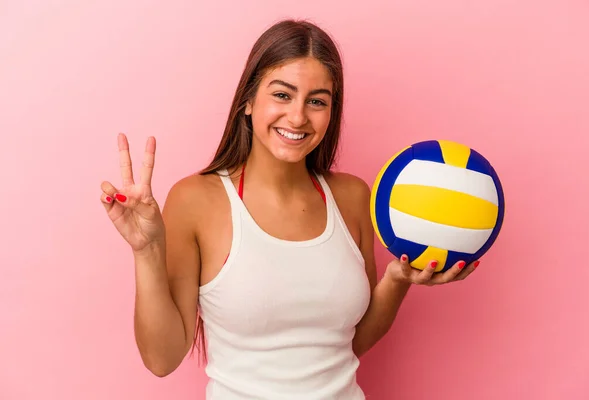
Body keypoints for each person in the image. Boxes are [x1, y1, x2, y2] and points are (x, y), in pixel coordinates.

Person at [100, 19, 479, 400]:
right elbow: (161, 359)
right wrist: (146, 251)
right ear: (248, 100)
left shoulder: (351, 196)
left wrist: (397, 280)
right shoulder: (196, 199)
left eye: (316, 101)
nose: (298, 117)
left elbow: (347, 344)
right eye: (282, 95)